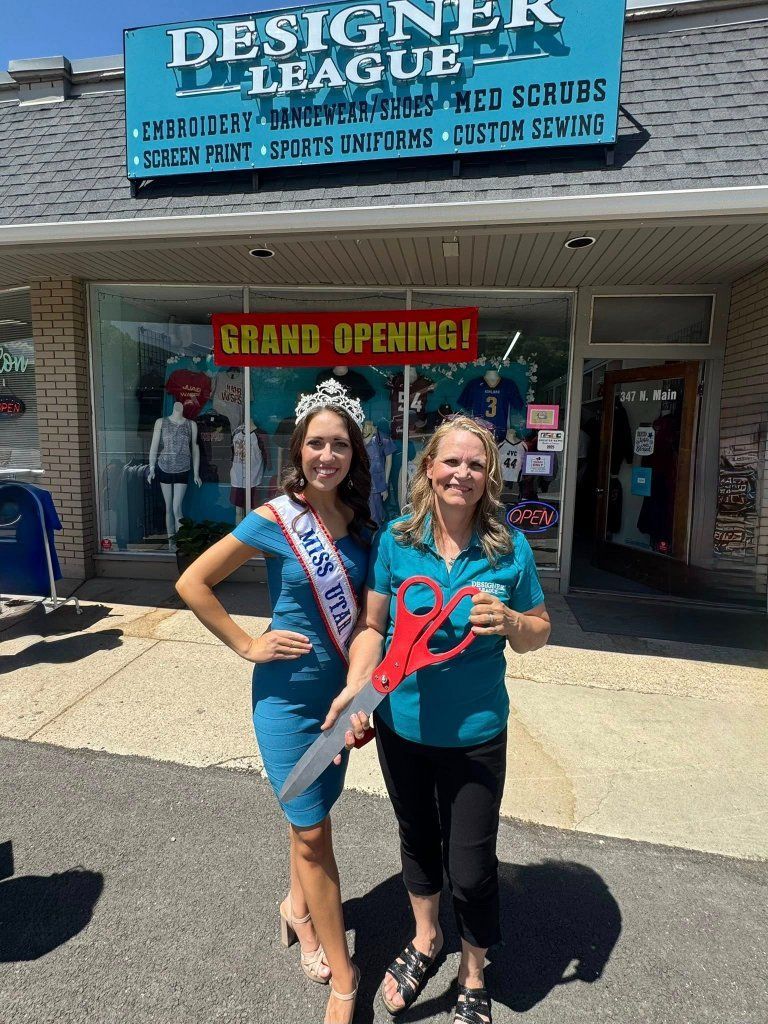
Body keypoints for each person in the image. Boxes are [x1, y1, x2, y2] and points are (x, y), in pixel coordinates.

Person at [325, 415, 551, 1024]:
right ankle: (427, 938)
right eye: (451, 462)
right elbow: (374, 626)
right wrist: (358, 690)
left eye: (476, 465)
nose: (462, 474)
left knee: (473, 867)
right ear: (429, 468)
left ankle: (473, 969)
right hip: (402, 726)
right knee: (418, 839)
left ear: (490, 476)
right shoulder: (398, 539)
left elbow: (539, 632)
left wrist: (510, 623)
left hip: (476, 733)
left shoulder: (509, 548)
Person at [176, 378, 374, 1024]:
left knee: (309, 823)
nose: (327, 456)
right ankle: (343, 976)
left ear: (354, 454)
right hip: (287, 702)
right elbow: (193, 581)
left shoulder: (359, 520)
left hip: (340, 697)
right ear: (299, 449)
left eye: (338, 445)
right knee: (314, 830)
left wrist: (364, 696)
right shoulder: (274, 517)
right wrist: (243, 643)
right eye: (316, 443)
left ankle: (295, 909)